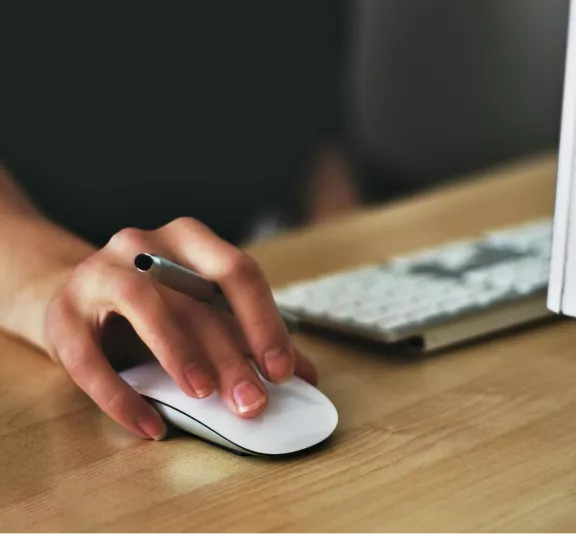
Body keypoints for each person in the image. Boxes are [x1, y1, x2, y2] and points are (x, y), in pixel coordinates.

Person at [0, 4, 355, 441]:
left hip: (249, 278)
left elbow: (322, 138)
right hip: (65, 263)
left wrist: (347, 277)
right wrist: (58, 285)